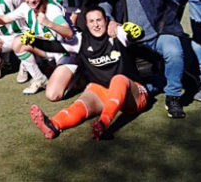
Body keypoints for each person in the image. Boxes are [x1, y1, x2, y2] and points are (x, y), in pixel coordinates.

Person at [28, 7, 149, 140]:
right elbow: (55, 47)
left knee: (118, 79)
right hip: (105, 91)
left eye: (99, 20)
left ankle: (102, 124)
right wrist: (33, 41)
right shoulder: (81, 40)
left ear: (106, 21)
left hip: (133, 93)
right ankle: (53, 125)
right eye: (91, 21)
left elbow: (133, 36)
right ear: (86, 24)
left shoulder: (116, 33)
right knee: (81, 103)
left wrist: (135, 32)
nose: (96, 25)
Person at [110, 0, 188, 118]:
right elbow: (104, 3)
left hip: (159, 33)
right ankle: (162, 80)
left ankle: (173, 97)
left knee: (174, 52)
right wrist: (110, 21)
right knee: (142, 88)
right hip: (131, 41)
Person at [0, 0, 75, 96]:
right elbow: (4, 19)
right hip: (49, 50)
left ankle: (78, 76)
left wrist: (49, 23)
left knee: (53, 95)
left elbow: (69, 33)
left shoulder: (51, 9)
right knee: (18, 42)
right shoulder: (26, 7)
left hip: (67, 51)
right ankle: (40, 79)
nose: (32, 0)